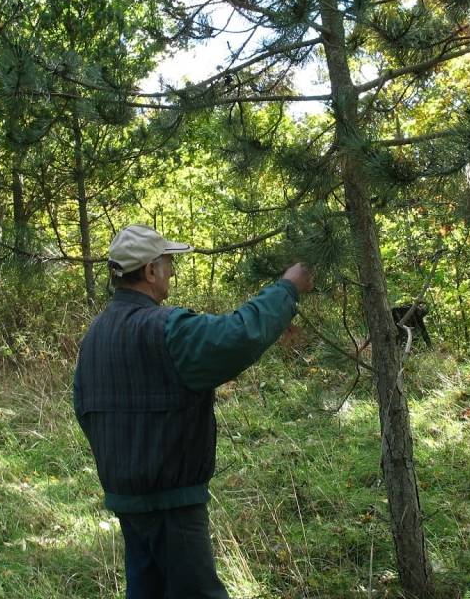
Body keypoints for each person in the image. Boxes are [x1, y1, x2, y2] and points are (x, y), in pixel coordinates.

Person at [73, 224, 314, 598]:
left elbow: (84, 410)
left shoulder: (95, 335)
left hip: (127, 501)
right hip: (172, 504)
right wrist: (287, 288)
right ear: (151, 272)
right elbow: (239, 335)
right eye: (168, 263)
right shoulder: (167, 329)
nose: (171, 272)